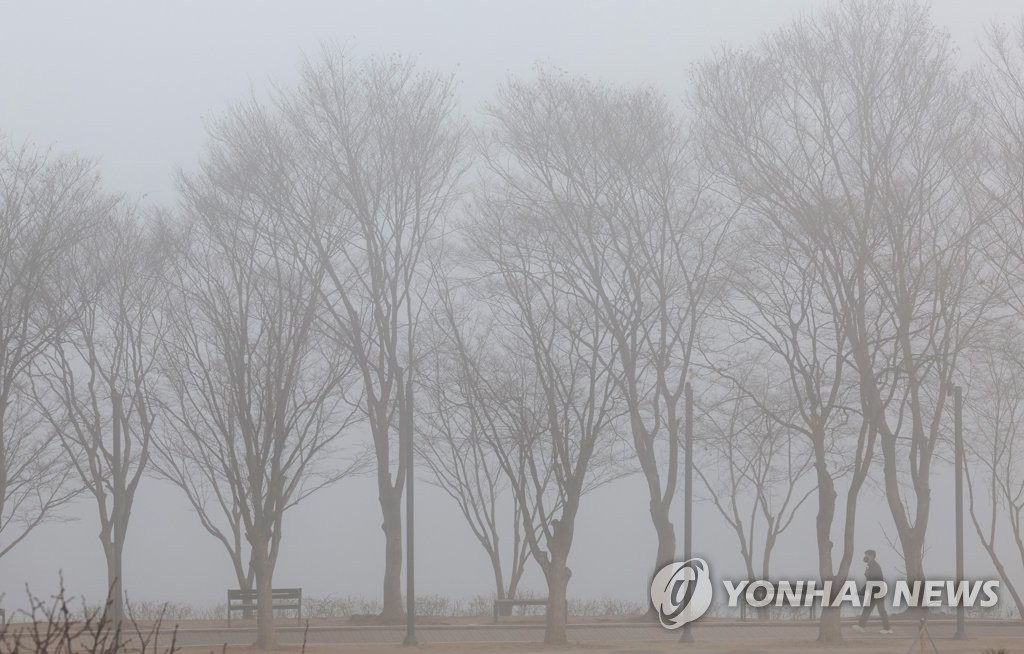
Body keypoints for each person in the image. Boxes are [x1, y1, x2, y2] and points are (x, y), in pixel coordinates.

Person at [852, 549, 894, 634]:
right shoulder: (871, 565)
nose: (865, 557)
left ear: (871, 556)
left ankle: (862, 626)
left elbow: (871, 580)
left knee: (873, 609)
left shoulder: (874, 566)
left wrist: (861, 591)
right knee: (877, 609)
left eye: (866, 555)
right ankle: (887, 628)